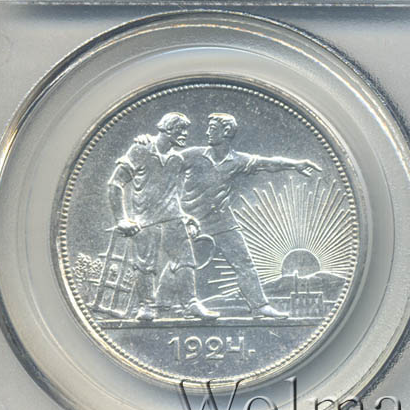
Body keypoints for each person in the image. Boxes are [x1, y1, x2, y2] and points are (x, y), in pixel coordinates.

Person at [178, 113, 321, 319]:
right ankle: (161, 305)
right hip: (189, 221)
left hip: (221, 221)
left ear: (226, 132)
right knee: (178, 264)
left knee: (244, 263)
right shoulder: (193, 155)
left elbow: (268, 163)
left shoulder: (237, 160)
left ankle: (259, 306)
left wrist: (295, 164)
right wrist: (146, 143)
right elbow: (162, 164)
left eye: (213, 128)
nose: (207, 132)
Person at [106, 112, 218, 321]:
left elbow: (171, 194)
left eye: (185, 130)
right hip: (145, 221)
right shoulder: (141, 149)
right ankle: (147, 306)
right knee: (145, 266)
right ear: (167, 129)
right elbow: (115, 183)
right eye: (180, 130)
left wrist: (185, 217)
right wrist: (121, 219)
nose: (185, 134)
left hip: (173, 220)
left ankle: (191, 304)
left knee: (186, 261)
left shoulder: (177, 159)